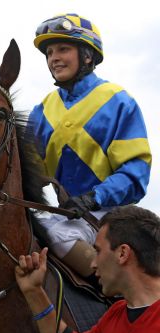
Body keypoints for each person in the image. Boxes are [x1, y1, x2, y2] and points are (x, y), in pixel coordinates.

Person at [28, 13, 152, 277]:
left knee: (54, 234)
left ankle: (117, 291)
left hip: (113, 214)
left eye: (63, 49)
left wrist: (93, 197)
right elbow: (30, 174)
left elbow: (136, 172)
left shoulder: (118, 101)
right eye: (49, 52)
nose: (54, 58)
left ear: (87, 55)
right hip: (67, 215)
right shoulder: (42, 111)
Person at [15, 205, 160, 333]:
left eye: (98, 251)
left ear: (122, 253)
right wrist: (33, 291)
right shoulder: (115, 316)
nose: (93, 264)